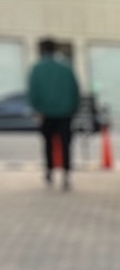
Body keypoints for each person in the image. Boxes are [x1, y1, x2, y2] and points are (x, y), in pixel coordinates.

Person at [27, 38, 81, 190]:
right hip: (65, 112)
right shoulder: (66, 68)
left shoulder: (37, 69)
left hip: (46, 114)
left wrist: (37, 109)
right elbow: (75, 90)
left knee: (48, 144)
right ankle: (66, 175)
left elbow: (33, 92)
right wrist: (73, 109)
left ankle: (49, 171)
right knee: (66, 144)